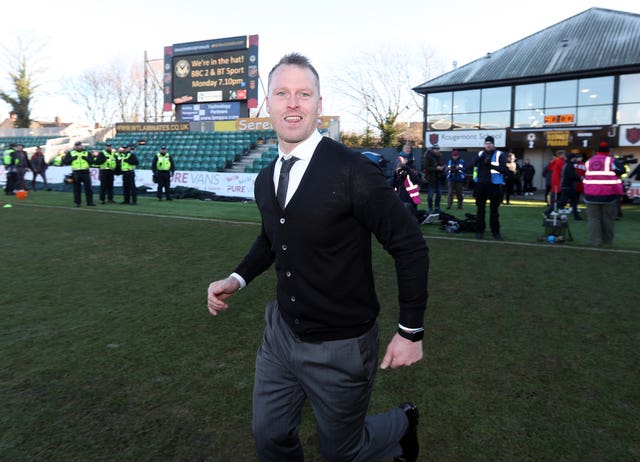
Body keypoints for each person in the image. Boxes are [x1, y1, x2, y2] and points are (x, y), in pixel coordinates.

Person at [206, 53, 428, 462]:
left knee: (342, 451)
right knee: (269, 437)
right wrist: (236, 278)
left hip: (342, 343)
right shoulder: (264, 177)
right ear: (268, 104)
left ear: (318, 105)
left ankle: (401, 423)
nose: (293, 103)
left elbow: (409, 245)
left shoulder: (353, 171)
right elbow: (273, 238)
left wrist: (410, 331)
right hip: (280, 335)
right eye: (283, 93)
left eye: (303, 94)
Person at [582, 141, 623, 246]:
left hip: (590, 194)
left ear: (597, 151)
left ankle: (595, 241)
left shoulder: (589, 161)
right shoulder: (612, 160)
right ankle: (608, 241)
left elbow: (585, 174)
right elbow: (621, 171)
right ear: (608, 151)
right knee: (608, 218)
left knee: (593, 218)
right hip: (608, 194)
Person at [471, 136, 509, 240]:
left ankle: (496, 232)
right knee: (480, 210)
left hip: (494, 185)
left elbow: (504, 170)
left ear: (493, 144)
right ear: (484, 144)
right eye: (486, 143)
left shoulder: (499, 154)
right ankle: (479, 231)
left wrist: (491, 165)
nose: (488, 145)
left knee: (494, 211)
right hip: (481, 185)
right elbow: (471, 165)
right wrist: (479, 159)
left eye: (490, 143)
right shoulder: (480, 154)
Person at [546, 152, 583, 220]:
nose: (576, 159)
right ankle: (547, 212)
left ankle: (576, 216)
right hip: (568, 186)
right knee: (563, 202)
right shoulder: (569, 165)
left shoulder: (567, 164)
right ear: (572, 158)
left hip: (567, 186)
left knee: (573, 201)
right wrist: (579, 178)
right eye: (574, 157)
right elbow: (570, 176)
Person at [392, 150, 423, 221]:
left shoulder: (411, 169)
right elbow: (394, 182)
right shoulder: (399, 170)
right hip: (404, 197)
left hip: (411, 197)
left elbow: (417, 180)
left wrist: (407, 169)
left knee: (412, 214)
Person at [63, 141, 95, 207]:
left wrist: (86, 158)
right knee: (77, 189)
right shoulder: (71, 153)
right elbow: (65, 162)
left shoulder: (87, 153)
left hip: (85, 172)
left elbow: (92, 162)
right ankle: (77, 203)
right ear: (75, 146)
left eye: (79, 145)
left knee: (88, 188)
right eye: (76, 146)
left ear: (82, 146)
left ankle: (90, 202)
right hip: (76, 173)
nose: (78, 147)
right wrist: (72, 158)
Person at [422, 144, 444, 213]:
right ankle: (430, 208)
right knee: (430, 195)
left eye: (438, 149)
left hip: (439, 177)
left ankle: (437, 207)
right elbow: (426, 167)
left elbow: (441, 164)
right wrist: (436, 168)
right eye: (436, 149)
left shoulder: (440, 156)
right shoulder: (428, 156)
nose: (437, 150)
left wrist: (442, 168)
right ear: (432, 149)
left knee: (439, 193)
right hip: (431, 178)